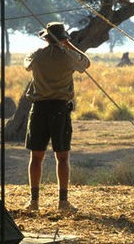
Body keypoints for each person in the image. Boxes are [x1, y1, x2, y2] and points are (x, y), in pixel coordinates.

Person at [23, 22, 90, 212]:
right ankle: (63, 202)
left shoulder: (37, 55)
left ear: (45, 38)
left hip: (39, 109)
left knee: (36, 156)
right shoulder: (69, 57)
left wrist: (48, 45)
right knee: (62, 157)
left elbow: (26, 63)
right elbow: (86, 62)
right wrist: (68, 45)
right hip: (60, 110)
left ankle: (33, 201)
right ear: (63, 38)